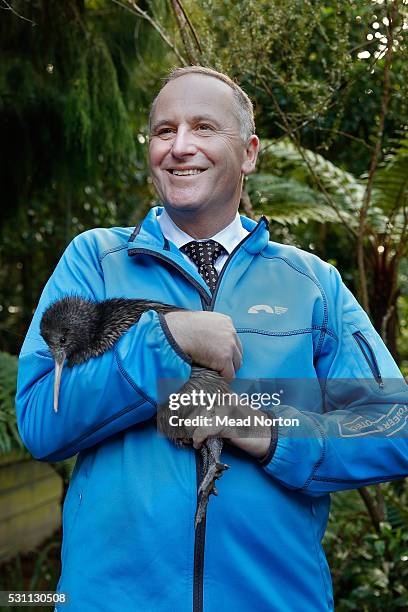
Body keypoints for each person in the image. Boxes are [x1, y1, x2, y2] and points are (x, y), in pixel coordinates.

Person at [16, 66, 408, 612]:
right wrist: (163, 341)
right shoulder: (95, 261)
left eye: (203, 127)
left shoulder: (312, 283)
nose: (179, 147)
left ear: (248, 153)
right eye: (162, 131)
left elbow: (394, 426)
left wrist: (256, 425)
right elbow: (40, 420)